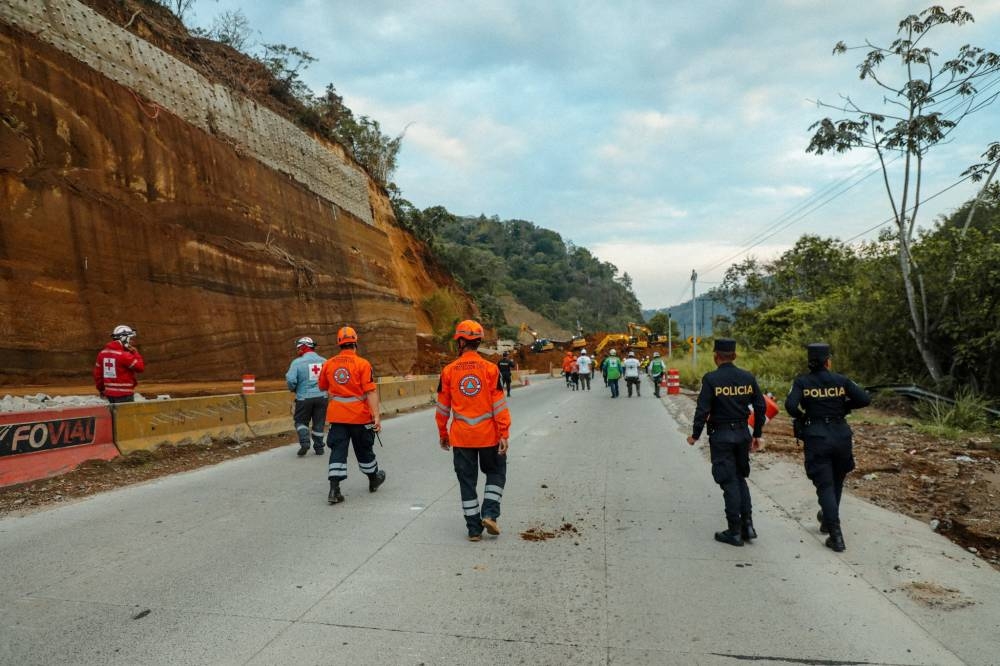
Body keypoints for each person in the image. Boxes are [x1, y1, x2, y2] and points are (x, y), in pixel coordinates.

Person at [785, 343, 871, 553]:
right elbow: (864, 399)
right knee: (837, 481)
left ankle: (835, 534)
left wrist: (803, 416)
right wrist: (844, 406)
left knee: (825, 485)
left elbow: (790, 406)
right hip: (841, 435)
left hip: (817, 437)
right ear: (828, 362)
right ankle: (827, 520)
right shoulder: (841, 380)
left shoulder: (802, 382)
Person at [436, 320, 511, 542]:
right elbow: (499, 405)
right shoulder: (490, 369)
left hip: (461, 438)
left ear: (460, 341)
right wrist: (504, 433)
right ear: (478, 342)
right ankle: (489, 514)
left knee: (467, 481)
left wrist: (443, 433)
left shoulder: (449, 371)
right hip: (489, 436)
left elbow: (442, 409)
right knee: (496, 472)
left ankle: (473, 530)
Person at [687, 339, 765, 547]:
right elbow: (760, 406)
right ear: (735, 356)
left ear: (715, 356)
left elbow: (703, 409)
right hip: (742, 434)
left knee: (728, 481)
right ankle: (748, 526)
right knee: (740, 478)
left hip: (722, 436)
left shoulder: (711, 379)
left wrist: (695, 434)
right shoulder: (747, 377)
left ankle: (734, 531)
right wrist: (757, 434)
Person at [317, 326, 385, 505]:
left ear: (339, 343)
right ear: (355, 342)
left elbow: (322, 386)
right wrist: (376, 417)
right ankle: (373, 479)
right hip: (359, 417)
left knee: (338, 450)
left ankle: (334, 489)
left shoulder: (329, 364)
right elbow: (370, 392)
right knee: (364, 449)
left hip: (337, 417)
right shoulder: (363, 364)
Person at [285, 336, 328, 456]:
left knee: (300, 421)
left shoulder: (297, 362)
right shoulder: (325, 361)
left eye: (298, 348)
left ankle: (305, 442)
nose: (297, 350)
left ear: (304, 347)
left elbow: (291, 379)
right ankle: (319, 447)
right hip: (322, 397)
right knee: (319, 423)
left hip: (303, 398)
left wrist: (293, 389)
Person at [93, 325, 145, 404]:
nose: (131, 341)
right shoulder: (124, 355)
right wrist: (135, 353)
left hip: (109, 394)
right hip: (124, 394)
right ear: (124, 338)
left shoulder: (102, 354)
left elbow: (98, 375)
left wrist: (101, 389)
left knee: (114, 412)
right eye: (130, 338)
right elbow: (140, 368)